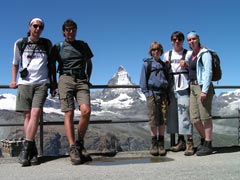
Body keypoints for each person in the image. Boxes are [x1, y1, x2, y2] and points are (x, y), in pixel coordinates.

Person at [9, 17, 53, 166]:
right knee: (27, 115)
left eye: (40, 27)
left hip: (41, 83)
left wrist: (52, 83)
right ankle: (33, 153)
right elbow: (15, 63)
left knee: (35, 113)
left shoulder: (46, 44)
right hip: (24, 83)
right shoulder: (20, 43)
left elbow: (51, 65)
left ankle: (25, 150)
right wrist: (13, 80)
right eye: (35, 26)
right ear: (29, 26)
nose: (37, 29)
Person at [49, 19, 93, 165]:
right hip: (65, 78)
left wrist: (88, 78)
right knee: (69, 112)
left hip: (81, 80)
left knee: (86, 111)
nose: (71, 32)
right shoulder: (58, 47)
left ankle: (79, 143)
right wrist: (53, 84)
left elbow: (89, 63)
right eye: (68, 29)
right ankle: (73, 147)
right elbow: (51, 65)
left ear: (76, 30)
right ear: (63, 31)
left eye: (73, 29)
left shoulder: (83, 45)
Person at [163, 31, 194, 156]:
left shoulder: (189, 53)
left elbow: (195, 69)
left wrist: (187, 66)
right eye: (175, 39)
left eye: (180, 39)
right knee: (173, 116)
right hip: (171, 88)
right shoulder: (166, 55)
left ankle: (190, 143)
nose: (177, 41)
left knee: (185, 115)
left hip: (184, 87)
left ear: (182, 41)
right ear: (171, 41)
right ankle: (180, 142)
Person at [140, 41, 171, 156]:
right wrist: (147, 94)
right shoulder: (146, 65)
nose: (156, 51)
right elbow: (143, 82)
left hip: (163, 94)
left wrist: (167, 94)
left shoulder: (164, 65)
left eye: (158, 49)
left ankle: (161, 143)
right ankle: (154, 144)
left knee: (163, 119)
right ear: (151, 52)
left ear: (161, 51)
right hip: (152, 94)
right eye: (154, 50)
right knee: (153, 119)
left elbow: (168, 80)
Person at [187, 31, 215, 156]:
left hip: (202, 86)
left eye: (193, 39)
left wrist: (205, 90)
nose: (191, 41)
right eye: (189, 40)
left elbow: (208, 72)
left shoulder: (205, 53)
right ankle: (205, 141)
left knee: (205, 116)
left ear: (198, 39)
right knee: (195, 118)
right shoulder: (193, 55)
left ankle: (208, 144)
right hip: (192, 86)